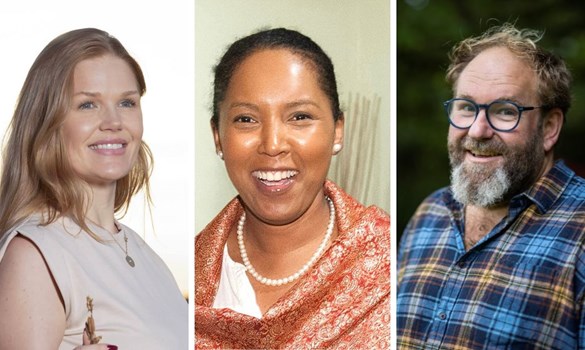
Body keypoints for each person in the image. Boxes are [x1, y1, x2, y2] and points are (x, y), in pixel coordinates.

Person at [195, 28, 390, 349]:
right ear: (218, 136)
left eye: (300, 116)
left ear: (337, 130)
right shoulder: (186, 280)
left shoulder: (388, 264)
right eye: (246, 119)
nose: (272, 145)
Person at [397, 23, 585, 349]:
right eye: (467, 107)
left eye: (504, 111)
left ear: (550, 127)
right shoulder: (430, 213)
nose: (477, 131)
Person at [0, 28, 187, 349]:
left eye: (127, 102)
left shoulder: (145, 254)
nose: (114, 121)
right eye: (88, 105)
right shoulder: (33, 254)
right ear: (47, 122)